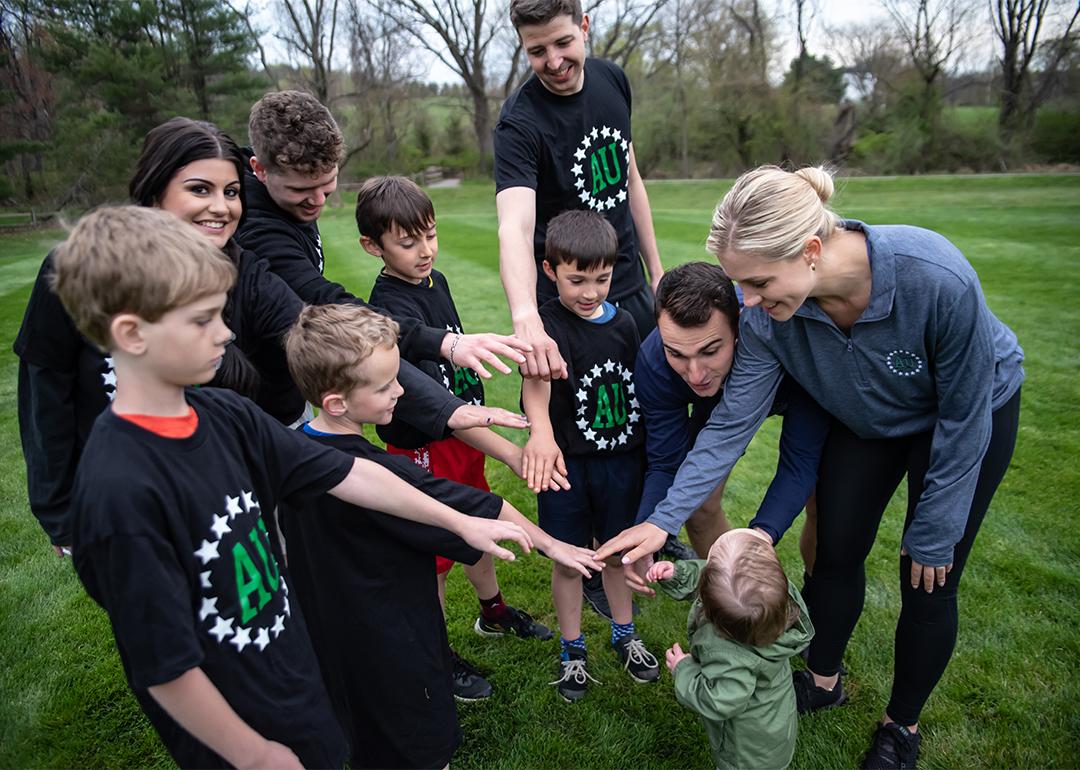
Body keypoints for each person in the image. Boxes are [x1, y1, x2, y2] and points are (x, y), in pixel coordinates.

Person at [52, 206, 532, 769]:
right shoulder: (117, 492)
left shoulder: (222, 413)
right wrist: (252, 754)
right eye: (204, 319)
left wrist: (457, 520)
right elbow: (164, 664)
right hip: (243, 732)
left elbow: (345, 469)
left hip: (300, 683)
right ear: (132, 333)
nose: (228, 332)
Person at [598, 165, 1024, 769]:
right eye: (740, 285)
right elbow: (727, 428)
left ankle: (900, 726)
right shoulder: (769, 317)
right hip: (868, 422)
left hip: (966, 416)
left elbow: (964, 416)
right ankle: (824, 679)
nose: (746, 302)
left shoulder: (935, 274)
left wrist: (936, 527)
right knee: (837, 549)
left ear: (812, 250)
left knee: (928, 571)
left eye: (758, 282)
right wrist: (661, 521)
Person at [279, 303, 601, 768]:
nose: (400, 391)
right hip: (394, 650)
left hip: (329, 648)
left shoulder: (293, 455)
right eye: (386, 385)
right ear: (337, 402)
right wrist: (551, 544)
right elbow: (474, 505)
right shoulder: (376, 473)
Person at [13, 117, 308, 556]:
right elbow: (46, 393)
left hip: (236, 487)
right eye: (199, 189)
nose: (221, 207)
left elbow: (318, 337)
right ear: (154, 192)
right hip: (136, 494)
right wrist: (60, 513)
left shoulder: (245, 271)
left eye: (231, 192)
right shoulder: (80, 267)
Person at [235, 89, 532, 442]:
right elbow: (325, 304)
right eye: (302, 190)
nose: (317, 201)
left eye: (327, 185)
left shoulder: (279, 191)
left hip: (290, 390)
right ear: (259, 169)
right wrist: (445, 347)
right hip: (258, 408)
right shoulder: (255, 229)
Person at [360, 176, 555, 700]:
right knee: (436, 554)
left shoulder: (435, 281)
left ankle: (492, 612)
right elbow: (419, 391)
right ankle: (434, 656)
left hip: (461, 436)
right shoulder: (387, 309)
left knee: (482, 516)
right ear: (372, 247)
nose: (425, 251)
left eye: (430, 235)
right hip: (422, 446)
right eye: (408, 242)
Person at [522, 209, 660, 701]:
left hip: (622, 463)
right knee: (572, 561)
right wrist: (542, 435)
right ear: (549, 270)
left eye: (601, 279)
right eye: (576, 279)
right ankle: (573, 648)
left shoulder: (625, 322)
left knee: (618, 552)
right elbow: (534, 387)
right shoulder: (546, 324)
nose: (589, 292)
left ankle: (625, 635)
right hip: (568, 468)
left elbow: (642, 388)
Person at [636, 261, 830, 563]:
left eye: (710, 351)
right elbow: (665, 462)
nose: (696, 374)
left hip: (798, 391)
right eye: (676, 353)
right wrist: (646, 530)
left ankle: (816, 592)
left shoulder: (782, 333)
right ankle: (726, 597)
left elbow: (799, 461)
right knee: (699, 506)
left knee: (823, 507)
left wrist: (762, 533)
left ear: (739, 324)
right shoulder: (655, 363)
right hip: (713, 409)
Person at [646, 528, 814, 770]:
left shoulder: (729, 654)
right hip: (775, 722)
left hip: (747, 750)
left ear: (712, 608)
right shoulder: (779, 603)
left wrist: (684, 670)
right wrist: (679, 574)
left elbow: (720, 700)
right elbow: (722, 579)